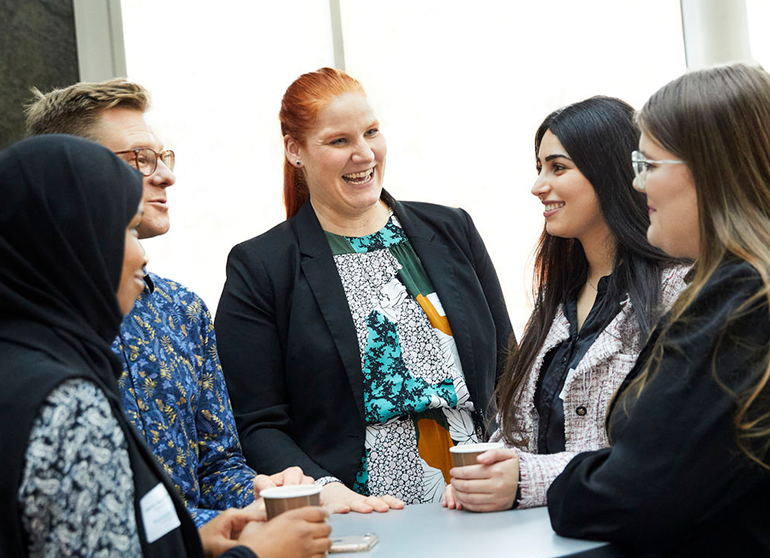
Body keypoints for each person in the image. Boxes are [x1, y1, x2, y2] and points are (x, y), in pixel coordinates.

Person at [0, 135, 331, 558]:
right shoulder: (66, 401)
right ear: (72, 244)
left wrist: (187, 545)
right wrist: (257, 555)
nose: (141, 256)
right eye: (123, 229)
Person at [215, 67, 513, 512]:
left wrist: (514, 468)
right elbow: (256, 423)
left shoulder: (453, 230)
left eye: (371, 132)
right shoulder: (261, 267)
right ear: (295, 151)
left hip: (481, 502)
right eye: (339, 141)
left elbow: (511, 371)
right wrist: (325, 489)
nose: (364, 153)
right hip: (356, 517)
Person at [16, 79, 307, 526]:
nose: (166, 175)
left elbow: (217, 463)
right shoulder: (8, 326)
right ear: (73, 171)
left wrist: (257, 489)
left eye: (163, 156)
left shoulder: (182, 310)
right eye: (141, 158)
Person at [547, 63, 770, 556]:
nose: (638, 184)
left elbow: (631, 493)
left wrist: (570, 482)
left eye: (648, 165)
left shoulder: (739, 301)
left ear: (711, 169)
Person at [443, 97, 688, 512]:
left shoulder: (676, 291)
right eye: (539, 168)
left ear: (609, 173)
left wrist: (526, 480)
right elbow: (516, 428)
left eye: (558, 167)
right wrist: (482, 476)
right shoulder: (557, 299)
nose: (538, 185)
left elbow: (661, 452)